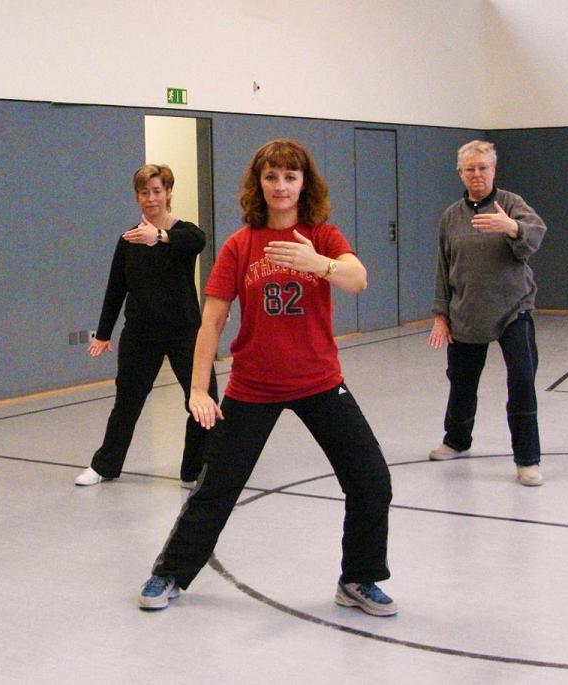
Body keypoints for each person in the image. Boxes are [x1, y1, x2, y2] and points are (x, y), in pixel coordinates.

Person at [137, 139, 396, 616]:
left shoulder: (322, 235)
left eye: (290, 177)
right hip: (253, 387)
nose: (281, 186)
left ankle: (359, 578)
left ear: (304, 184)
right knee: (216, 488)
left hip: (319, 380)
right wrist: (197, 388)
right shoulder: (240, 245)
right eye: (271, 177)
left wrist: (320, 264)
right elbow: (211, 322)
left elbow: (357, 278)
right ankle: (170, 572)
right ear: (259, 183)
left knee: (371, 479)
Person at [74, 164, 219, 488]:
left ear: (168, 193)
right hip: (141, 335)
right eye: (144, 192)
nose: (150, 198)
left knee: (204, 397)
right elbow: (115, 289)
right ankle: (105, 466)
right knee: (127, 401)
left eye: (157, 191)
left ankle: (194, 470)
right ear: (137, 196)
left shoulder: (184, 233)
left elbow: (197, 241)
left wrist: (161, 236)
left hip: (184, 332)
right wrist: (104, 334)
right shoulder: (128, 240)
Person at [427, 140, 547, 487]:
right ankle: (456, 441)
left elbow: (534, 237)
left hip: (513, 310)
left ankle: (527, 460)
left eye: (483, 168)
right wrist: (441, 314)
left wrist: (512, 228)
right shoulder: (451, 217)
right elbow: (443, 268)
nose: (477, 174)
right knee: (462, 382)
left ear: (493, 170)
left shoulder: (511, 204)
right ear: (460, 173)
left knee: (522, 380)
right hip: (467, 313)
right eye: (470, 169)